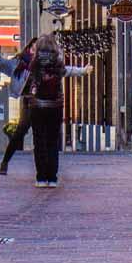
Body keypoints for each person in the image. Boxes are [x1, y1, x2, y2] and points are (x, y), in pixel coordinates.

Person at [25, 35, 90, 188]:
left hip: (38, 106)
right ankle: (52, 178)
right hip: (55, 106)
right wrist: (83, 71)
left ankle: (41, 178)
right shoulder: (57, 62)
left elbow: (28, 80)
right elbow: (68, 71)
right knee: (53, 142)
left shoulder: (34, 63)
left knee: (39, 142)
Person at [0, 39, 36, 176]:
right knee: (19, 134)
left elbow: (62, 70)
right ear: (29, 47)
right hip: (28, 101)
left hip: (41, 102)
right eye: (34, 47)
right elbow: (3, 64)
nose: (35, 51)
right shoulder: (19, 62)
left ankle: (43, 170)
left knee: (42, 135)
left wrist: (82, 71)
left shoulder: (43, 63)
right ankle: (5, 161)